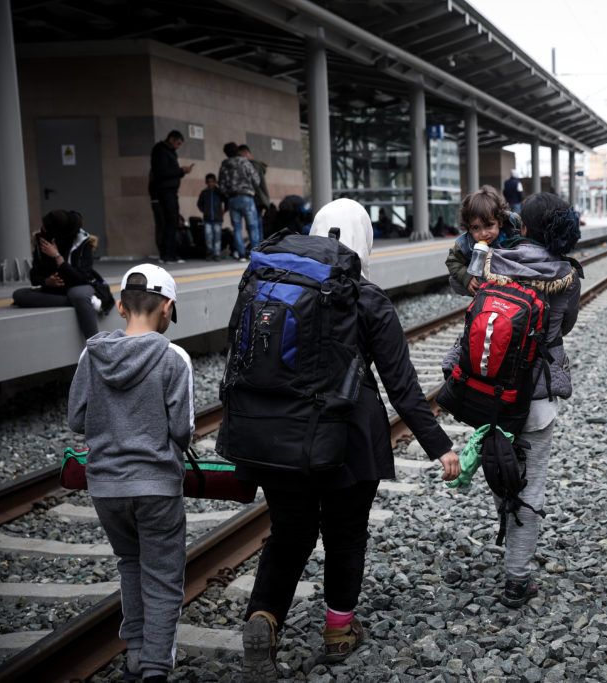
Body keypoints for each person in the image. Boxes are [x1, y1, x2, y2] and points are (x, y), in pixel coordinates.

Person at [237, 198, 460, 681]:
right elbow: (402, 387)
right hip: (348, 442)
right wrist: (440, 446)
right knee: (345, 534)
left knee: (290, 531)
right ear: (365, 242)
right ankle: (338, 631)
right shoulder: (368, 298)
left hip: (278, 436)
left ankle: (263, 618)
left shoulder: (272, 284)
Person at [443, 192, 582, 608]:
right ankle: (517, 578)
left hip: (489, 394)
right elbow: (565, 327)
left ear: (520, 226)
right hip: (536, 400)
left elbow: (460, 287)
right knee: (530, 486)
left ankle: (510, 535)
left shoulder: (492, 259)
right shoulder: (565, 274)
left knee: (503, 471)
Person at [67, 263, 193, 683]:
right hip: (157, 486)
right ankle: (156, 668)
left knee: (131, 564)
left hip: (105, 486)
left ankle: (137, 654)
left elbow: (76, 419)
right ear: (167, 308)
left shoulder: (91, 353)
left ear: (121, 307)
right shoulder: (174, 357)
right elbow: (182, 430)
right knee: (162, 574)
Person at [13, 210, 104, 339]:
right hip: (54, 290)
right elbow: (34, 276)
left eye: (45, 227)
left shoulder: (83, 243)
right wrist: (46, 281)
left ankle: (96, 344)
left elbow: (83, 278)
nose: (42, 229)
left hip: (78, 286)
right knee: (19, 295)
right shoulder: (43, 241)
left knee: (78, 295)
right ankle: (81, 303)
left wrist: (57, 257)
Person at [445, 185, 521, 295]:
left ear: (500, 222)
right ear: (469, 228)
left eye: (489, 225)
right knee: (454, 280)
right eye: (476, 228)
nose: (483, 234)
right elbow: (452, 261)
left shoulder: (513, 224)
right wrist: (467, 278)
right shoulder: (466, 243)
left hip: (514, 276)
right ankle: (487, 295)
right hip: (489, 279)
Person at [149, 131, 194, 264]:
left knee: (173, 221)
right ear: (171, 139)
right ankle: (166, 254)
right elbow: (162, 172)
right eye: (178, 143)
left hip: (171, 191)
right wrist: (180, 171)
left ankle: (172, 253)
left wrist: (181, 172)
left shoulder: (170, 151)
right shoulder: (161, 150)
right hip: (163, 192)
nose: (178, 146)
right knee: (169, 222)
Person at [218, 142, 262, 259]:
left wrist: (228, 194)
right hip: (247, 197)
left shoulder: (224, 165)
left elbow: (221, 185)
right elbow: (256, 179)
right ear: (237, 150)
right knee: (252, 226)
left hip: (232, 199)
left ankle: (241, 254)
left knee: (237, 228)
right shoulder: (244, 162)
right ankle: (254, 255)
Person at [238, 144, 270, 240]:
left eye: (240, 156)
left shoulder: (253, 166)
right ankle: (259, 246)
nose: (240, 159)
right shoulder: (256, 165)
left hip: (256, 198)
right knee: (257, 222)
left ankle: (258, 246)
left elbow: (253, 182)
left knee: (254, 224)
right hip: (259, 198)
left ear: (246, 153)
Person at [197, 173, 225, 260]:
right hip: (207, 219)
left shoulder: (219, 192)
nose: (210, 184)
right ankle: (209, 252)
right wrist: (204, 211)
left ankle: (216, 254)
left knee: (217, 237)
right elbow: (199, 204)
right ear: (206, 182)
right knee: (208, 237)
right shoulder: (204, 192)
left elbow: (226, 199)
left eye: (212, 182)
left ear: (215, 182)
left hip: (217, 219)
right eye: (208, 182)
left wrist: (224, 210)